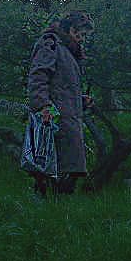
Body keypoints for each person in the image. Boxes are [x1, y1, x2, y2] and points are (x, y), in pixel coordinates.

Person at [26, 10, 95, 196]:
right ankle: (44, 215)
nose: (82, 39)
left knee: (67, 173)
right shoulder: (51, 45)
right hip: (53, 120)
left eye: (84, 36)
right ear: (70, 29)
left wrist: (81, 100)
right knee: (48, 170)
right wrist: (43, 106)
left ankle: (58, 214)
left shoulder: (69, 52)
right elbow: (38, 77)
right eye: (80, 34)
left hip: (68, 119)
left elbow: (62, 87)